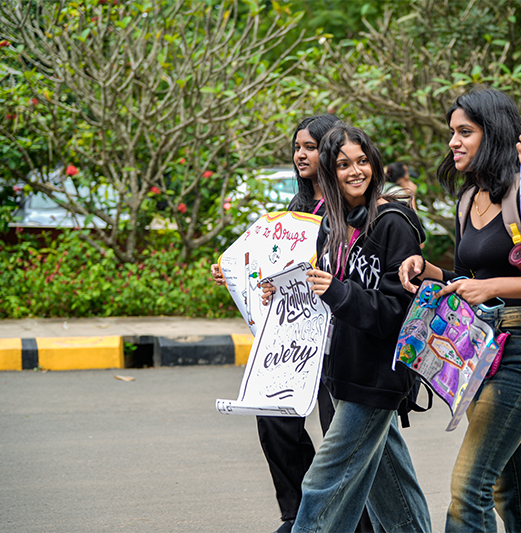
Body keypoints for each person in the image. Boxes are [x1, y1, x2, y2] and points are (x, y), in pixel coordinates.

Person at [398, 88, 521, 533]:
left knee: (469, 487)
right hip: (481, 349)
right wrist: (428, 270)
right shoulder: (469, 198)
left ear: (494, 133)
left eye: (465, 132)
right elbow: (469, 278)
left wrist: (493, 287)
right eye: (452, 132)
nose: (453, 142)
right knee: (511, 490)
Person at [263, 123, 432, 533]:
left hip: (375, 377)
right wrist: (281, 290)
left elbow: (396, 311)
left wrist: (338, 292)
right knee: (392, 493)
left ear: (375, 164)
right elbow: (319, 291)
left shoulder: (393, 223)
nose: (355, 171)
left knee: (322, 486)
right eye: (343, 164)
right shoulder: (333, 226)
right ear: (330, 171)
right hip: (342, 370)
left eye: (362, 161)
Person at [210, 114, 372, 533]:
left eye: (310, 147)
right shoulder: (294, 212)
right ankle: (298, 515)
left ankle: (356, 524)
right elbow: (273, 270)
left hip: (338, 337)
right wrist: (238, 272)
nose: (301, 155)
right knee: (274, 417)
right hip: (293, 337)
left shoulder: (351, 209)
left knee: (340, 440)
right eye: (297, 147)